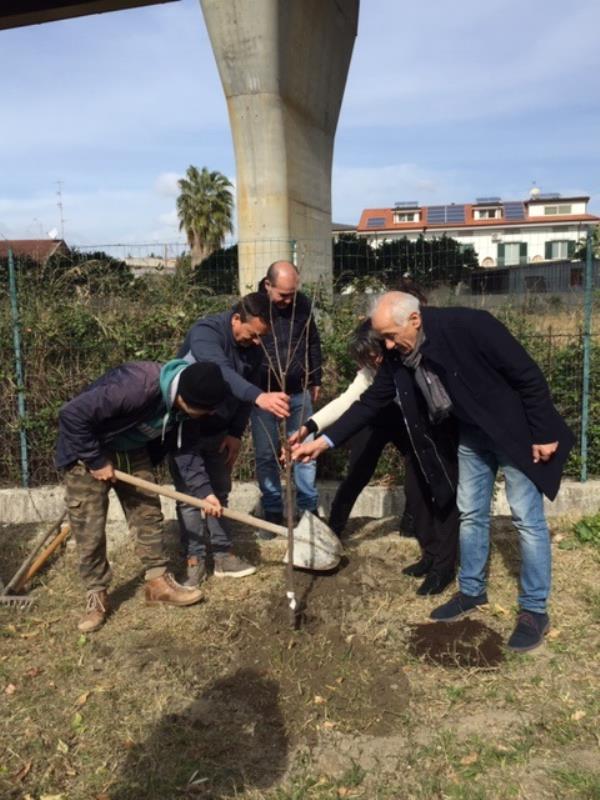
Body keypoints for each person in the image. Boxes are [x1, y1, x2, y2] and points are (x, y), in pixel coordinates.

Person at [297, 292, 575, 652]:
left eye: (391, 336)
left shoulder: (472, 326)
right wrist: (324, 441)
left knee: (526, 518)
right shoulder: (399, 353)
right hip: (472, 433)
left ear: (415, 319)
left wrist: (543, 433)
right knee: (472, 514)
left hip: (515, 432)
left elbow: (528, 376)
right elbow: (370, 401)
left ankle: (535, 611)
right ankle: (471, 591)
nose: (388, 345)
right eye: (383, 337)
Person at [56, 359, 229, 633]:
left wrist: (206, 493)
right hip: (86, 451)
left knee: (147, 512)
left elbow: (187, 454)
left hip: (131, 449)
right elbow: (72, 414)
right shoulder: (137, 385)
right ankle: (97, 593)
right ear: (185, 397)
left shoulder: (187, 412)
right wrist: (96, 460)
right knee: (88, 526)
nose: (205, 416)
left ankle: (157, 583)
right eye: (203, 410)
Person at [292, 320, 460, 595]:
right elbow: (348, 401)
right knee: (358, 471)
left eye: (377, 355)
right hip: (375, 419)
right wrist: (310, 427)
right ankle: (335, 528)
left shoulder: (411, 359)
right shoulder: (372, 372)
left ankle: (435, 556)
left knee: (419, 486)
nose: (375, 361)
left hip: (413, 426)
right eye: (368, 359)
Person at [176, 293, 290, 580]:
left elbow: (244, 392)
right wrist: (261, 397)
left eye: (261, 338)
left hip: (219, 428)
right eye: (253, 335)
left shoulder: (253, 347)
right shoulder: (205, 333)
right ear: (237, 319)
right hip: (186, 424)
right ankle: (195, 558)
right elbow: (223, 373)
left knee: (220, 489)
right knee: (190, 496)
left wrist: (236, 433)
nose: (256, 343)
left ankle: (223, 554)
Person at [251, 261, 322, 535]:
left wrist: (315, 376)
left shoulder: (302, 304)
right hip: (264, 394)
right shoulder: (253, 307)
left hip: (299, 391)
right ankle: (271, 514)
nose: (288, 300)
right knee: (266, 454)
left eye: (293, 293)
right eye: (283, 294)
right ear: (268, 285)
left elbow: (312, 340)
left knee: (305, 452)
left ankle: (308, 514)